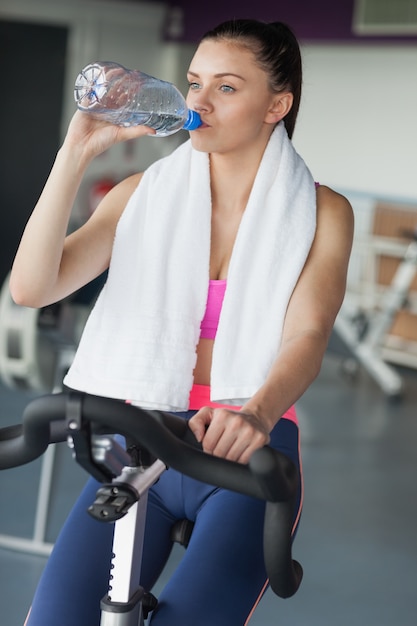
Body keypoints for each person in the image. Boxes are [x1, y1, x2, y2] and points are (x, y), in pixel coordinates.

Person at [10, 18, 353, 626]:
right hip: (139, 437)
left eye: (225, 87)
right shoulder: (142, 193)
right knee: (55, 619)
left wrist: (258, 413)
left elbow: (308, 332)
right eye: (193, 82)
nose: (196, 101)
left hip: (246, 445)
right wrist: (75, 153)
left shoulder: (322, 212)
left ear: (277, 104)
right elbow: (33, 288)